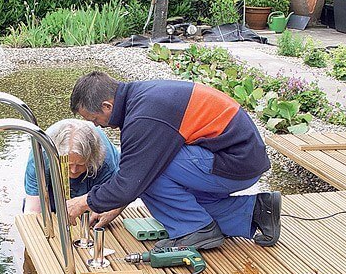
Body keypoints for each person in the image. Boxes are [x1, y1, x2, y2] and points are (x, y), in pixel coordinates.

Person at [65, 71, 281, 249]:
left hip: (236, 162)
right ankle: (257, 210)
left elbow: (133, 180)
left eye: (94, 119)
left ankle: (196, 230)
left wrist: (83, 202)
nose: (96, 125)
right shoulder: (140, 98)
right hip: (235, 158)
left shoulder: (143, 117)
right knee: (176, 203)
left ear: (107, 106)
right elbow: (132, 179)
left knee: (150, 175)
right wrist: (115, 205)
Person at [23, 118, 119, 213]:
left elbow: (107, 203)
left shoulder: (105, 162)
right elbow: (33, 209)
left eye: (80, 164)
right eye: (69, 165)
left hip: (93, 178)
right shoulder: (41, 157)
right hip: (53, 186)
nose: (73, 170)